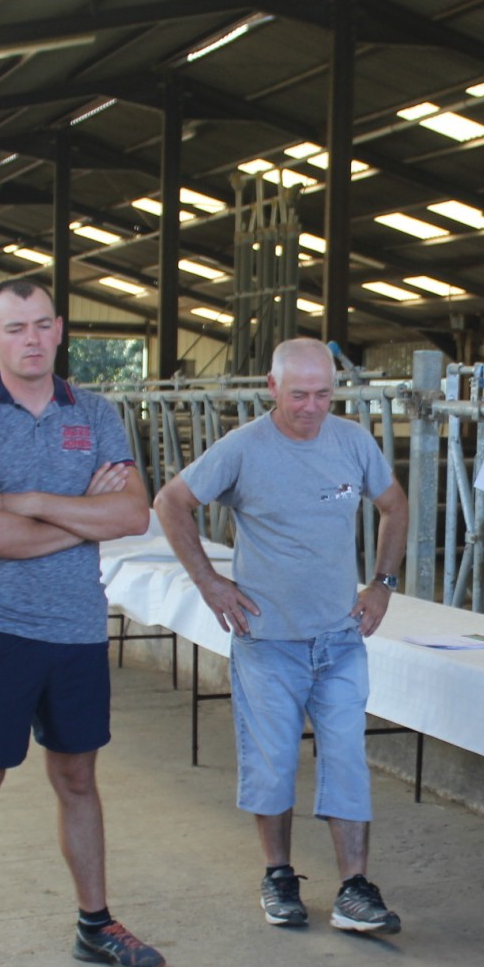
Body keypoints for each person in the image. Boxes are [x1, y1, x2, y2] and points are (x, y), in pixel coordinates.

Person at [0, 277, 160, 967]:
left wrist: (33, 501)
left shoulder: (94, 412)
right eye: (14, 327)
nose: (31, 339)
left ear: (60, 331)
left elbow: (134, 513)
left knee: (80, 780)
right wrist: (84, 518)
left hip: (77, 629)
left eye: (42, 325)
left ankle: (95, 923)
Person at [154, 338, 411, 932]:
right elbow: (171, 501)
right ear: (271, 388)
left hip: (340, 638)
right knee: (272, 763)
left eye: (324, 394)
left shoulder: (352, 442)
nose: (312, 407)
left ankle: (353, 887)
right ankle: (278, 874)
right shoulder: (244, 449)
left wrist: (382, 583)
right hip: (268, 641)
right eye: (298, 395)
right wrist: (208, 583)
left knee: (347, 759)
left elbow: (394, 507)